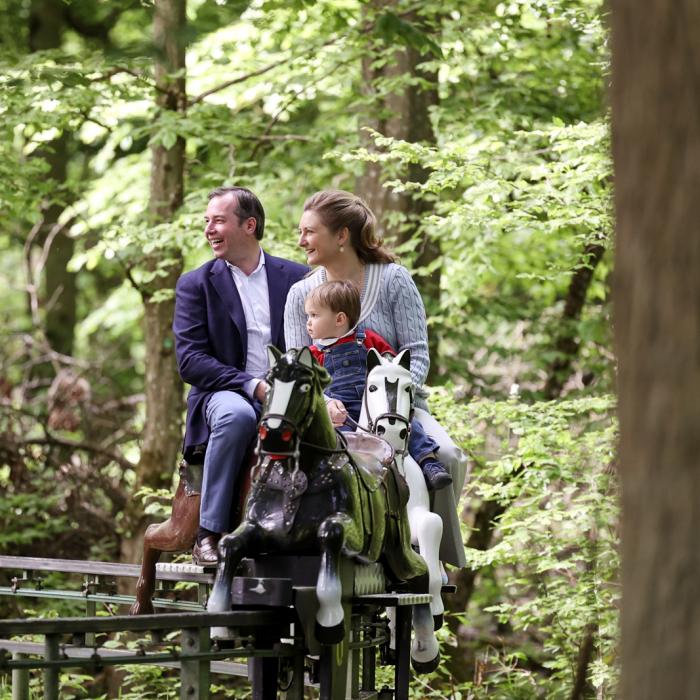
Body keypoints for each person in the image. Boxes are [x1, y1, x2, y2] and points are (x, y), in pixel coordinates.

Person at [284, 190, 468, 568]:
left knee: (448, 455)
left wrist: (390, 404)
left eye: (309, 232)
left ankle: (433, 558)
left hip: (399, 406)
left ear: (341, 236)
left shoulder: (394, 280)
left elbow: (417, 354)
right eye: (301, 232)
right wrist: (321, 404)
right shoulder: (300, 294)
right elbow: (298, 366)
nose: (301, 241)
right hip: (332, 410)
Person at [173, 186, 308, 565]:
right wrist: (252, 385)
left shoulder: (298, 278)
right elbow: (190, 361)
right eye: (207, 222)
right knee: (238, 415)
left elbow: (317, 341)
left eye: (218, 221)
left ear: (249, 225)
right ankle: (209, 533)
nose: (209, 230)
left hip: (289, 390)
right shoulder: (195, 284)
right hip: (223, 392)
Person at [305, 280, 452, 491]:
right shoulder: (314, 354)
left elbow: (392, 365)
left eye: (314, 315)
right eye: (308, 316)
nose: (308, 322)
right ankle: (339, 484)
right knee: (335, 440)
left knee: (407, 426)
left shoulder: (366, 340)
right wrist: (326, 402)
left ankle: (429, 462)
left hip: (377, 403)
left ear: (339, 319)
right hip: (341, 412)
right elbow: (311, 387)